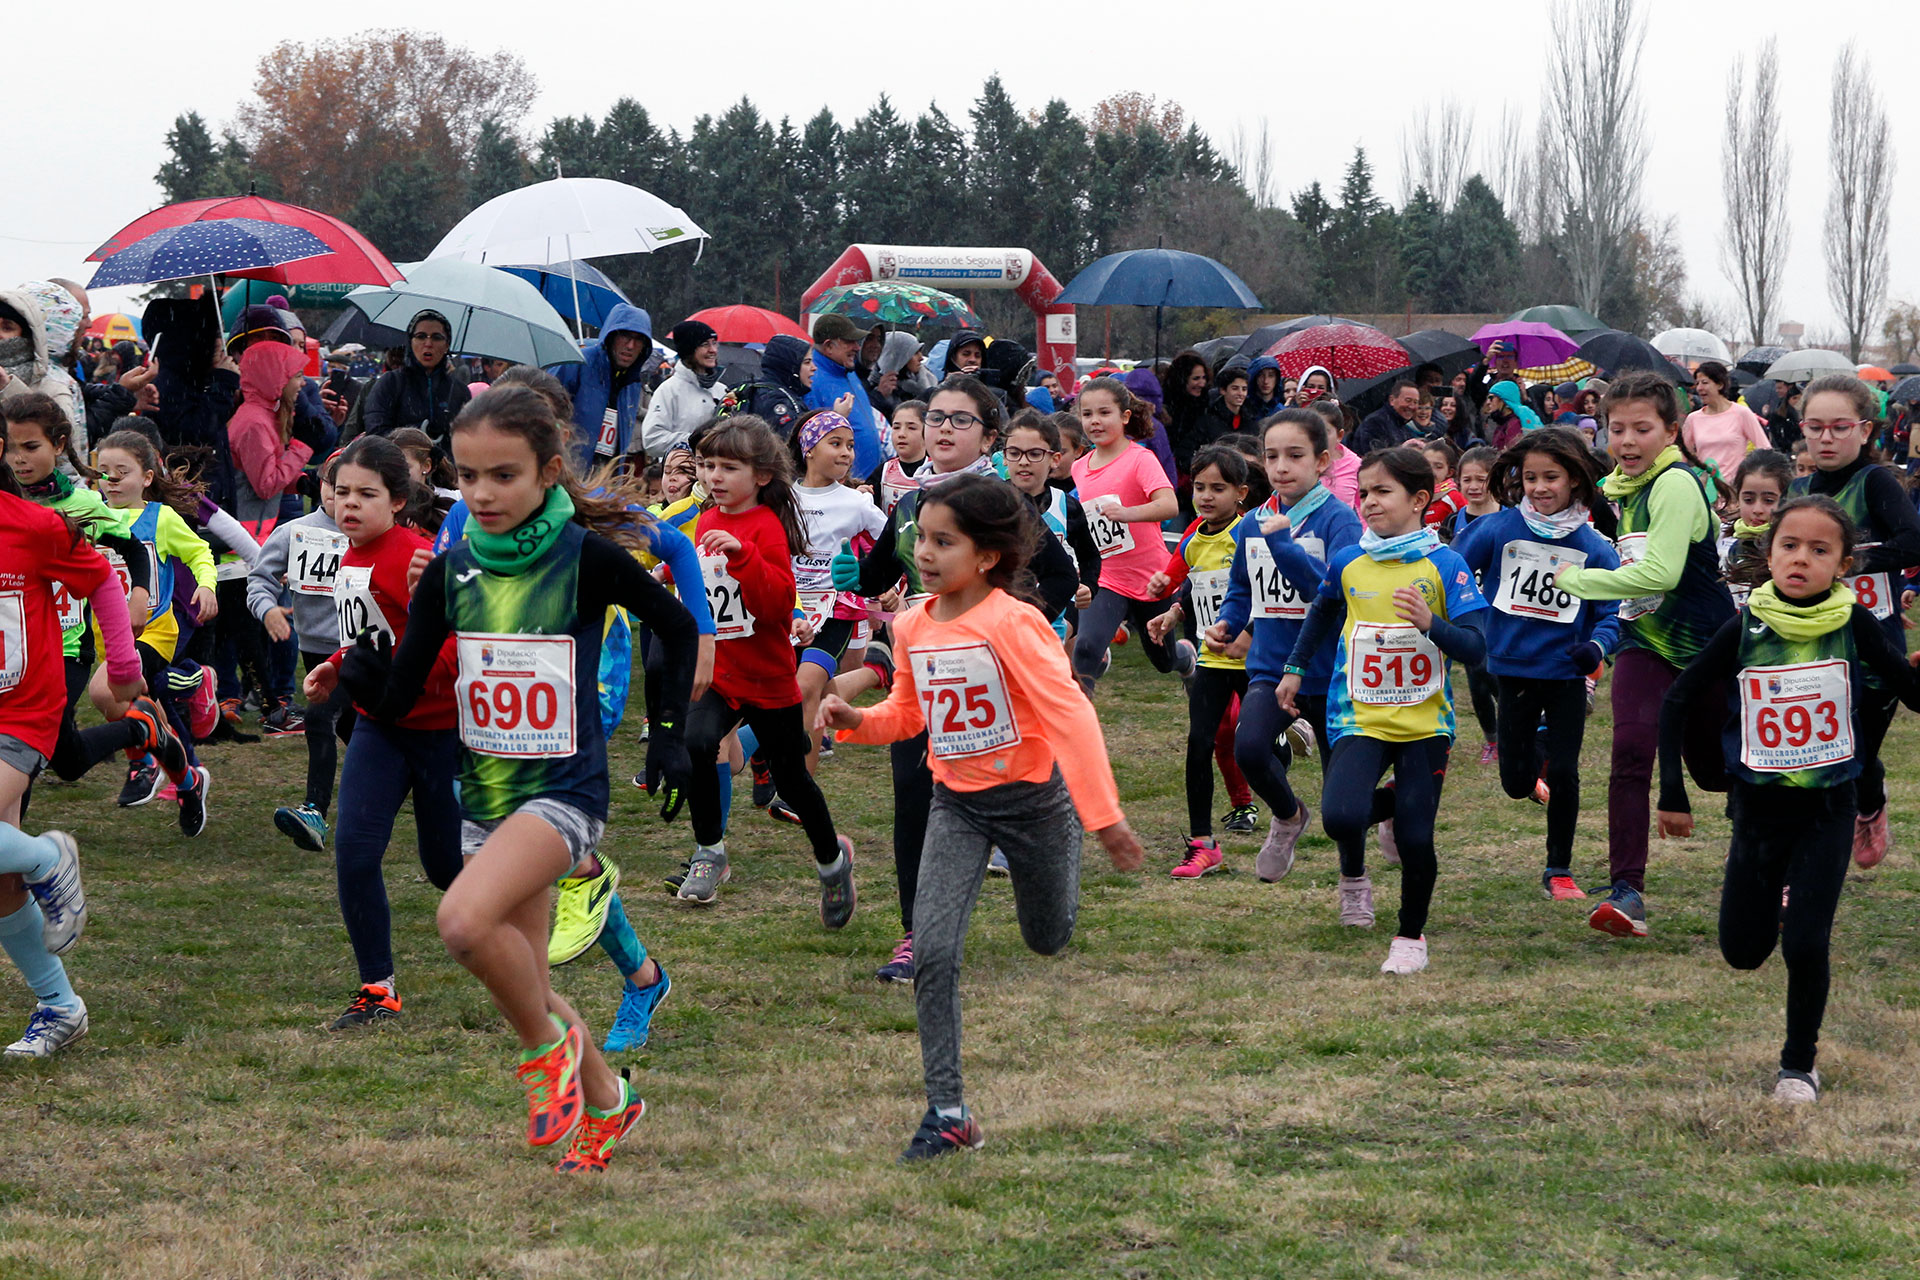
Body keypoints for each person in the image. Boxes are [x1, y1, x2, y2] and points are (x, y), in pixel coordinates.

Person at [339, 385, 697, 1172]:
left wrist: (670, 736)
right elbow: (400, 697)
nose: (482, 494)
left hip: (564, 793)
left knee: (463, 925)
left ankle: (546, 1060)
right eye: (466, 477)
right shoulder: (452, 568)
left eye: (503, 475)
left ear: (546, 472)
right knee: (526, 980)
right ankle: (611, 1102)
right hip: (487, 795)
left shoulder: (586, 556)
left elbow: (673, 622)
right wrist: (362, 679)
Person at [816, 474, 1145, 1162]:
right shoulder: (909, 624)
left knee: (1046, 938)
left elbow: (1069, 715)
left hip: (1036, 807)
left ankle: (1059, 881)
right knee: (932, 953)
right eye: (921, 540)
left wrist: (1102, 816)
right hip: (956, 806)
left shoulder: (1013, 622)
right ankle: (948, 1111)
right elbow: (910, 714)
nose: (926, 554)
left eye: (945, 542)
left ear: (987, 556)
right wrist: (855, 721)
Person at [1655, 496, 1920, 1105]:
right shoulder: (1746, 625)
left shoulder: (1855, 624)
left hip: (1828, 807)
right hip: (1756, 814)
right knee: (1743, 952)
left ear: (1844, 565)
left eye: (1819, 550)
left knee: (1806, 943)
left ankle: (1798, 1066)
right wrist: (1673, 791)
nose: (1802, 558)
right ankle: (1772, 907)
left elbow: (1910, 692)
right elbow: (1678, 700)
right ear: (1769, 553)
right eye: (1790, 546)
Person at [830, 377, 1081, 983]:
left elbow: (1064, 579)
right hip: (923, 678)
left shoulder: (1003, 507)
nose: (942, 428)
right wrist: (855, 575)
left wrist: (1013, 627)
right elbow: (876, 575)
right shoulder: (912, 504)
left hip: (989, 685)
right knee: (915, 800)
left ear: (989, 437)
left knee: (1007, 796)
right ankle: (917, 934)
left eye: (960, 420)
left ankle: (1048, 863)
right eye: (935, 417)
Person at [1278, 447, 1489, 973]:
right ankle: (1393, 802)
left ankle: (1409, 937)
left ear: (1420, 499)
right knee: (1341, 818)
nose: (1368, 502)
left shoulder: (1445, 564)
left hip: (1424, 725)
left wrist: (1431, 625)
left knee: (1417, 838)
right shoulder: (1351, 561)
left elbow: (1476, 647)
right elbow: (1324, 609)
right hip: (1359, 717)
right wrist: (1296, 665)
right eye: (1364, 492)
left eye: (1382, 492)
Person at [1557, 372, 1735, 941]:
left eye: (1642, 429)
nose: (1627, 441)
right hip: (1642, 640)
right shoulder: (1620, 489)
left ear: (1672, 431)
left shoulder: (1677, 484)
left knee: (1716, 772)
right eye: (1616, 429)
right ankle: (1626, 893)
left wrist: (1579, 582)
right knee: (1630, 754)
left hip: (1705, 649)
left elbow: (1661, 572)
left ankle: (1780, 847)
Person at [300, 437, 464, 1031]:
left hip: (439, 731)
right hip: (378, 730)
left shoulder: (416, 558)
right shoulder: (348, 559)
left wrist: (404, 675)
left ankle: (521, 914)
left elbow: (453, 647)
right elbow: (364, 637)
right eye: (341, 492)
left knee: (445, 867)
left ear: (398, 501)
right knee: (354, 854)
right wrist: (338, 667)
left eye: (366, 494)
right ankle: (378, 986)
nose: (349, 505)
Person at [673, 416, 856, 916]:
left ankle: (832, 862)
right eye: (708, 465)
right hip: (724, 673)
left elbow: (776, 606)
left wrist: (745, 557)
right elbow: (705, 586)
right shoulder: (708, 520)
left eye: (728, 467)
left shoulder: (766, 528)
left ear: (760, 477)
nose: (714, 476)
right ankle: (710, 851)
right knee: (697, 741)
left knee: (792, 780)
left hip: (770, 677)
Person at [0, 453, 148, 1057]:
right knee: (2, 885)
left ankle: (47, 856)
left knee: (15, 863)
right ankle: (61, 1007)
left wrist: (125, 664)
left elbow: (103, 583)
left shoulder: (32, 526)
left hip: (23, 710)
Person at [1453, 428, 1621, 899]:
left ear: (1575, 482)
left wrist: (1597, 647)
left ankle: (1559, 869)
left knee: (1565, 774)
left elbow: (1614, 612)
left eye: (1552, 477)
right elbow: (1452, 569)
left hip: (1566, 673)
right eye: (1531, 478)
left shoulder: (1593, 545)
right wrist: (1472, 618)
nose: (1540, 487)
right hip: (1508, 670)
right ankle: (1537, 749)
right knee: (1515, 782)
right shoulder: (1500, 528)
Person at [1206, 408, 1363, 881]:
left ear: (1323, 461)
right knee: (1249, 747)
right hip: (1271, 665)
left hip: (1331, 671)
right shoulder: (1254, 521)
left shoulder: (1341, 522)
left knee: (1342, 797)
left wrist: (1286, 549)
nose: (1281, 467)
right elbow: (1241, 587)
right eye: (1271, 456)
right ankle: (1289, 815)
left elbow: (1330, 596)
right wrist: (1227, 622)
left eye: (1295, 456)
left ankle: (1353, 879)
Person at [1786, 373, 1920, 866]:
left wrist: (1846, 561)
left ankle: (1872, 801)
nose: (1826, 437)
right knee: (1825, 758)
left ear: (1864, 430)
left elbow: (1913, 540)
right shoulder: (1798, 487)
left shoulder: (1876, 481)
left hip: (1873, 648)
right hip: (1813, 646)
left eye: (1839, 427)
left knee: (1857, 757)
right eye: (1815, 427)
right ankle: (1810, 866)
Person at [87, 429, 217, 836]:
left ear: (146, 477)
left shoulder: (160, 518)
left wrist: (206, 584)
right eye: (103, 471)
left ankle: (141, 760)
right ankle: (187, 779)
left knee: (105, 692)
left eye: (121, 472)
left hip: (155, 633)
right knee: (149, 710)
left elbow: (199, 551)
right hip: (106, 637)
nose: (110, 480)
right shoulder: (90, 516)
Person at [1145, 445, 1252, 875]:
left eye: (1218, 488)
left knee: (1261, 747)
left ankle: (1282, 807)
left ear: (1240, 492)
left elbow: (1261, 594)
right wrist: (1171, 612)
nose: (1206, 496)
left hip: (1252, 657)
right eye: (1200, 487)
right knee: (1198, 746)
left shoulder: (1250, 534)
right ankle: (1203, 843)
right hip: (1212, 657)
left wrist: (1248, 634)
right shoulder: (1191, 537)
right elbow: (1188, 585)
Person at [252, 454, 351, 851]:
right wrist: (268, 608)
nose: (343, 498)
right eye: (335, 486)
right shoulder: (297, 532)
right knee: (358, 734)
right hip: (315, 653)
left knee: (319, 717)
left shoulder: (379, 532)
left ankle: (314, 812)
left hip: (361, 651)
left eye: (356, 489)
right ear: (320, 486)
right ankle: (419, 782)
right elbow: (260, 577)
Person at [1068, 377, 1187, 694]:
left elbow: (1169, 505)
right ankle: (1079, 731)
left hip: (1152, 577)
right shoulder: (1079, 467)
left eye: (1104, 413)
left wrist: (1128, 513)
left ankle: (1185, 658)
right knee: (1085, 648)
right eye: (1087, 414)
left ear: (1124, 416)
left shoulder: (1140, 459)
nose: (1095, 421)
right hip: (1107, 578)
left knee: (1164, 661)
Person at [549, 302, 653, 470]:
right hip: (567, 474)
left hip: (606, 479)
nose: (630, 345)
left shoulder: (632, 384)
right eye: (625, 336)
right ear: (611, 336)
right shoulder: (576, 362)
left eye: (639, 339)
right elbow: (543, 411)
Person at [360, 310, 470, 443]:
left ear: (447, 345)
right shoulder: (391, 383)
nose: (428, 343)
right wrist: (417, 436)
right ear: (410, 342)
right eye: (421, 336)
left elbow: (468, 438)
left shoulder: (459, 390)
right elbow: (376, 432)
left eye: (436, 337)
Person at [804, 315, 882, 476]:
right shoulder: (813, 380)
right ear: (829, 346)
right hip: (841, 483)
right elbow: (810, 439)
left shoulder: (847, 371)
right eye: (849, 341)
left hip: (865, 482)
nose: (857, 347)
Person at [640, 321, 728, 457]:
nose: (713, 350)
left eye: (714, 343)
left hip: (716, 475)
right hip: (680, 474)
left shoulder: (722, 390)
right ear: (689, 351)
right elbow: (652, 441)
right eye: (705, 344)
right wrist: (698, 440)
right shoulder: (668, 390)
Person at [1683, 362, 1771, 490]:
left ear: (1720, 384)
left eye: (1704, 382)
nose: (1699, 388)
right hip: (1706, 490)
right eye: (1697, 384)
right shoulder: (1693, 419)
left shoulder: (1741, 413)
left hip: (1734, 489)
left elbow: (1765, 449)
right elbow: (1684, 455)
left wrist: (1750, 475)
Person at [1721, 451, 1792, 607]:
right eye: (1748, 500)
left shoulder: (1793, 548)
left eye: (1768, 500)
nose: (1757, 509)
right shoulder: (1724, 542)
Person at [722, 333, 809, 437]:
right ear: (790, 366)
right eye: (807, 362)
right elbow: (796, 444)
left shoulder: (751, 390)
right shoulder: (779, 399)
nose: (814, 368)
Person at [870, 400, 928, 514]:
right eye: (896, 427)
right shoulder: (883, 472)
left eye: (911, 428)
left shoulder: (935, 473)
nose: (901, 434)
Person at [1352, 380, 1423, 456]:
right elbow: (1376, 457)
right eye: (1408, 400)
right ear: (1392, 400)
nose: (1412, 406)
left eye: (1415, 402)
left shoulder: (1402, 424)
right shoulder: (1375, 421)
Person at [1420, 439, 1466, 528]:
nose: (1431, 471)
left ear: (1449, 472)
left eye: (1438, 467)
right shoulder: (1412, 495)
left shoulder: (1454, 497)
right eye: (1426, 464)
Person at [1205, 366, 1257, 437]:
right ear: (1223, 390)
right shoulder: (1208, 420)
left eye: (1244, 389)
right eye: (1235, 388)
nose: (1240, 393)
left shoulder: (1251, 418)